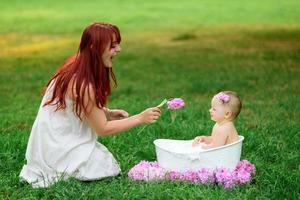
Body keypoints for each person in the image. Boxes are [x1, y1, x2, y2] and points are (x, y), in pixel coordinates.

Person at [19, 22, 161, 188]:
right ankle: (61, 165)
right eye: (113, 46)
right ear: (95, 48)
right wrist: (140, 118)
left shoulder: (75, 64)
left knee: (102, 162)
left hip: (49, 142)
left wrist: (106, 112)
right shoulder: (84, 83)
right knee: (105, 167)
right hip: (58, 146)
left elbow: (74, 106)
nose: (119, 50)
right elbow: (103, 129)